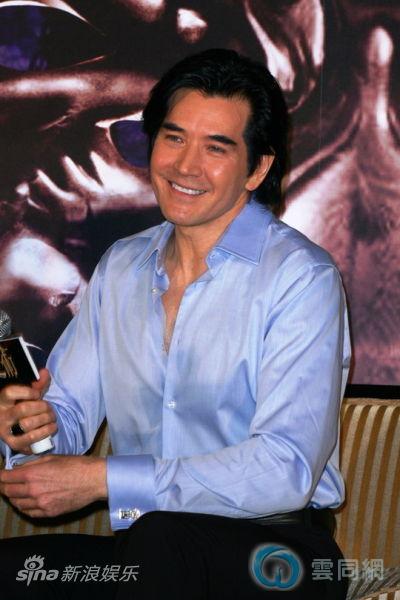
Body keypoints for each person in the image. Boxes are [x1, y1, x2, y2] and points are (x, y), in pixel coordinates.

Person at [0, 48, 351, 599]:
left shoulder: (301, 277)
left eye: (216, 148)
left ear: (258, 168)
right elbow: (65, 415)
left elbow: (284, 468)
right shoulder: (120, 267)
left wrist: (105, 480)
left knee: (159, 544)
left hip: (279, 555)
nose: (186, 166)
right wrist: (29, 428)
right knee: (17, 571)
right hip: (150, 553)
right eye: (174, 137)